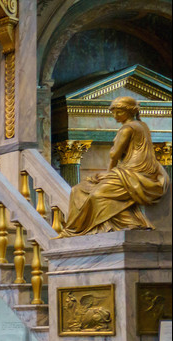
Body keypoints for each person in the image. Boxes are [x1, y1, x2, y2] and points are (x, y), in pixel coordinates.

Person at [63, 96, 169, 236]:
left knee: (96, 195)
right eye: (113, 112)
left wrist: (109, 173)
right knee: (81, 190)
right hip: (140, 171)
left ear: (130, 111)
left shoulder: (127, 128)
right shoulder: (142, 126)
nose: (115, 116)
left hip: (133, 172)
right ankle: (125, 223)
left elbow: (114, 154)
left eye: (118, 112)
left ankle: (79, 228)